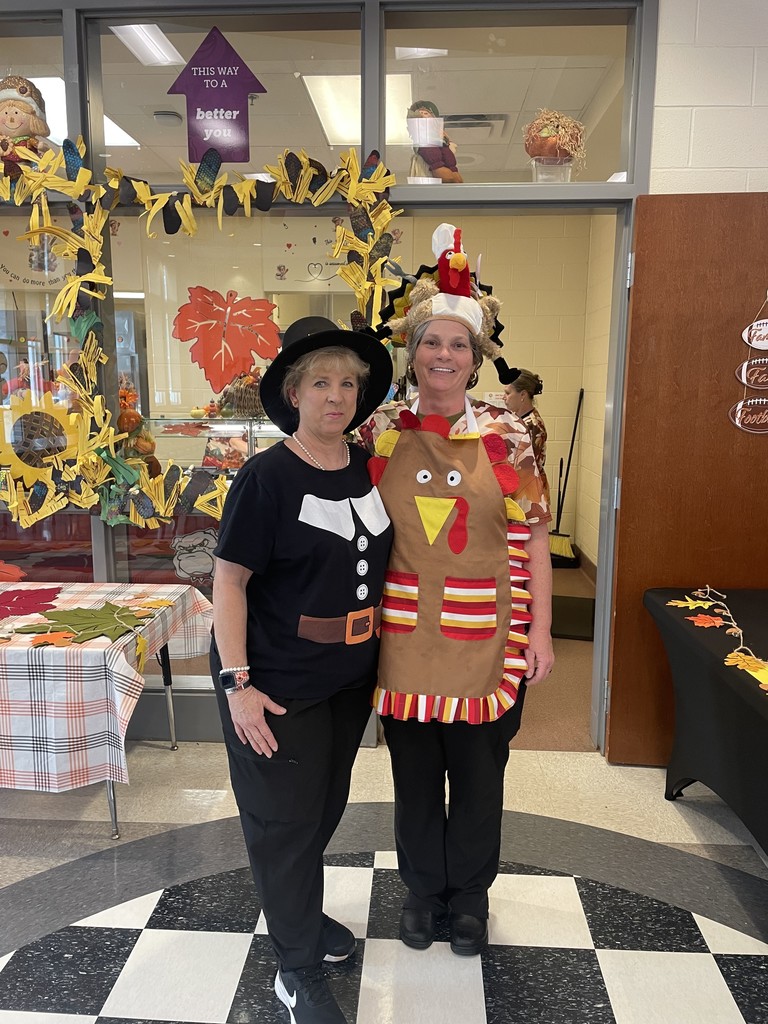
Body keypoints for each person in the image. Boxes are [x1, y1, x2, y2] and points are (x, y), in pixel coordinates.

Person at [362, 224, 553, 958]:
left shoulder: (510, 433)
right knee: (413, 778)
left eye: (459, 345)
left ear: (476, 357)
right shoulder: (378, 429)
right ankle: (422, 893)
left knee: (479, 778)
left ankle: (469, 897)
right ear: (412, 351)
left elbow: (534, 536)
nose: (444, 355)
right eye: (431, 342)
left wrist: (540, 634)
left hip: (489, 634)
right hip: (405, 635)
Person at [211, 316, 393, 1024]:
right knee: (283, 824)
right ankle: (296, 972)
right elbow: (229, 583)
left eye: (347, 383)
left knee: (318, 812)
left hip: (347, 682)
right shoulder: (267, 477)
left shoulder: (364, 466)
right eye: (320, 382)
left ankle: (301, 918)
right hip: (277, 684)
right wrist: (238, 686)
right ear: (294, 394)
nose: (336, 396)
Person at [503, 369, 551, 506]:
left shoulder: (532, 425)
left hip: (529, 490)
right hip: (519, 487)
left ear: (523, 395)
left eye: (508, 393)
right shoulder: (518, 420)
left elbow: (526, 466)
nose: (504, 397)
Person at [406, 99, 463, 182]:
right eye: (419, 116)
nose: (423, 118)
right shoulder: (426, 144)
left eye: (426, 114)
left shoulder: (439, 142)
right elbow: (442, 173)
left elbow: (453, 171)